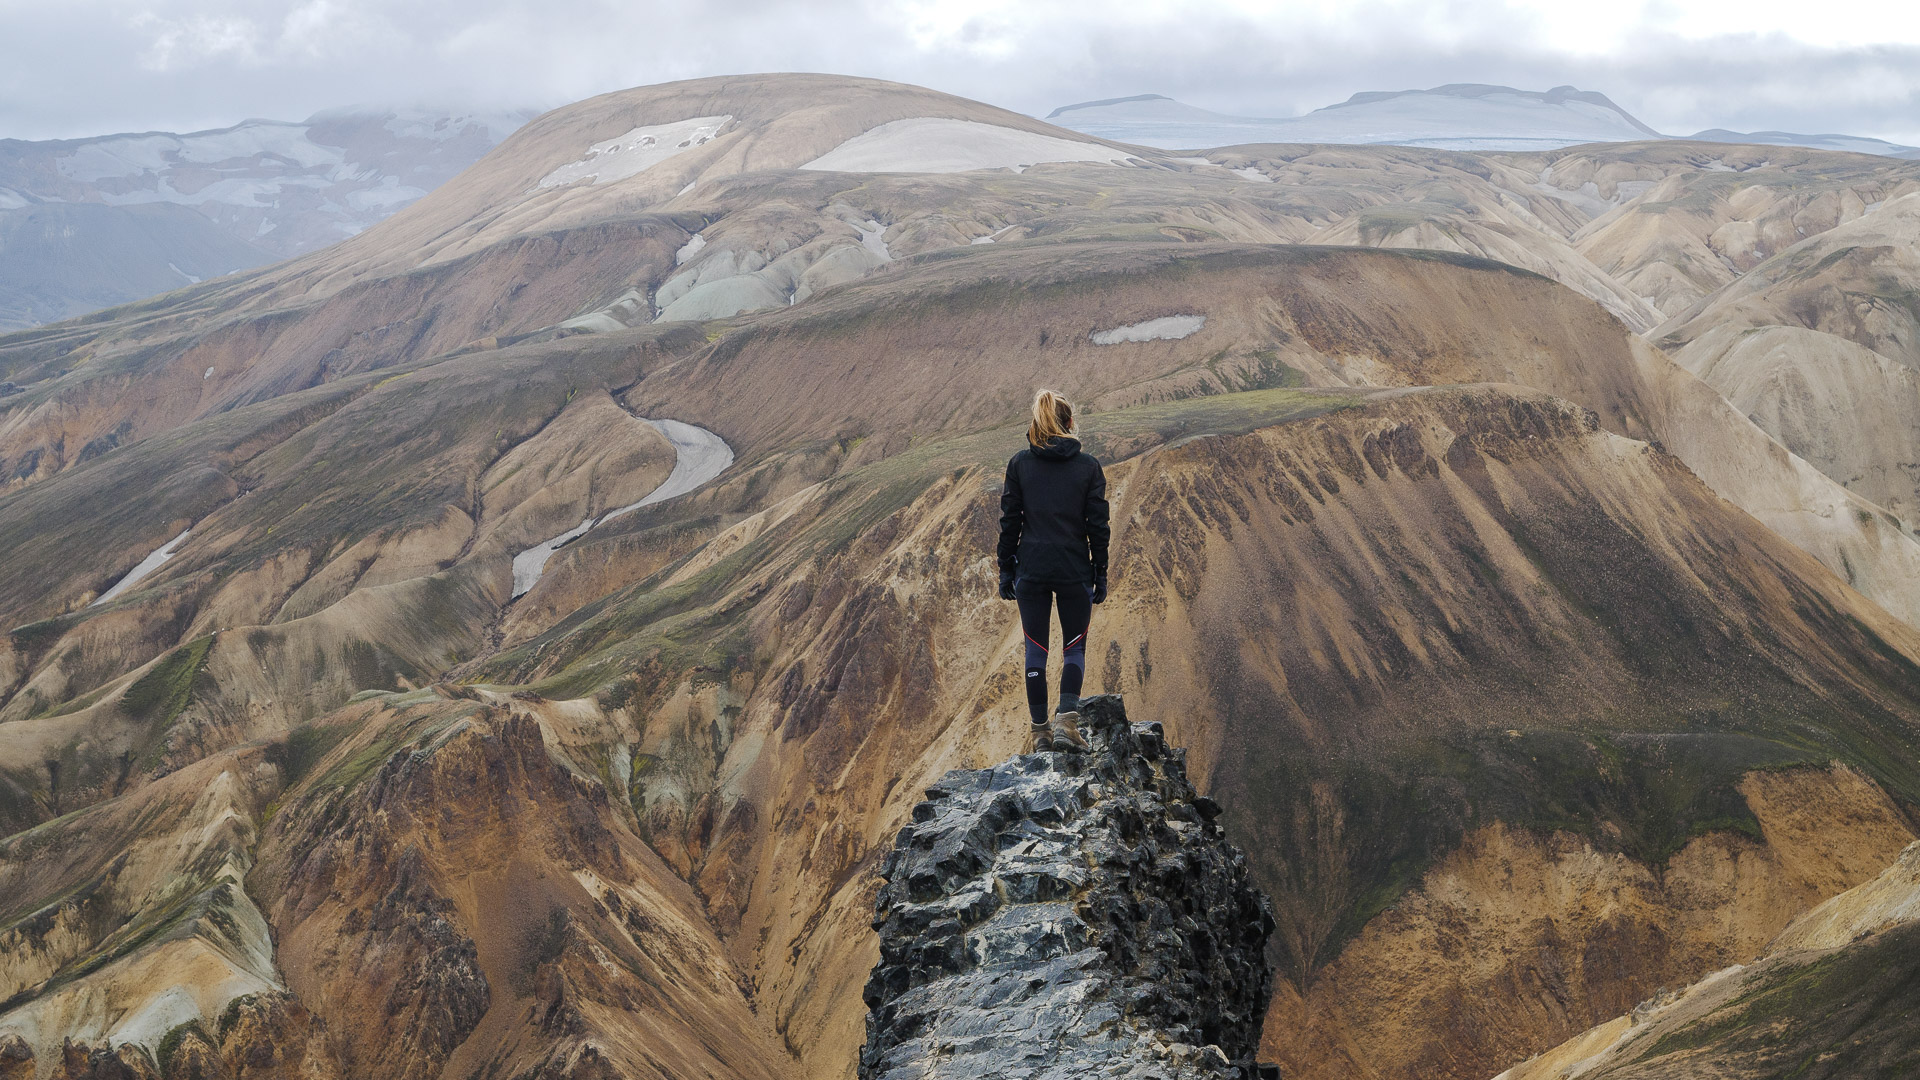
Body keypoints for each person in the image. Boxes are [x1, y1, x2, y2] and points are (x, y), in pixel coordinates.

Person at [998, 389, 1110, 752]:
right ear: (1071, 423)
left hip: (1030, 569)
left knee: (1036, 651)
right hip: (1074, 569)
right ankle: (1067, 726)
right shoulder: (1088, 467)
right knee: (1074, 649)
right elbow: (1098, 526)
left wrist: (1005, 570)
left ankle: (1040, 734)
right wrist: (1101, 572)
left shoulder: (1019, 465)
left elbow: (1010, 522)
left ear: (1036, 424)